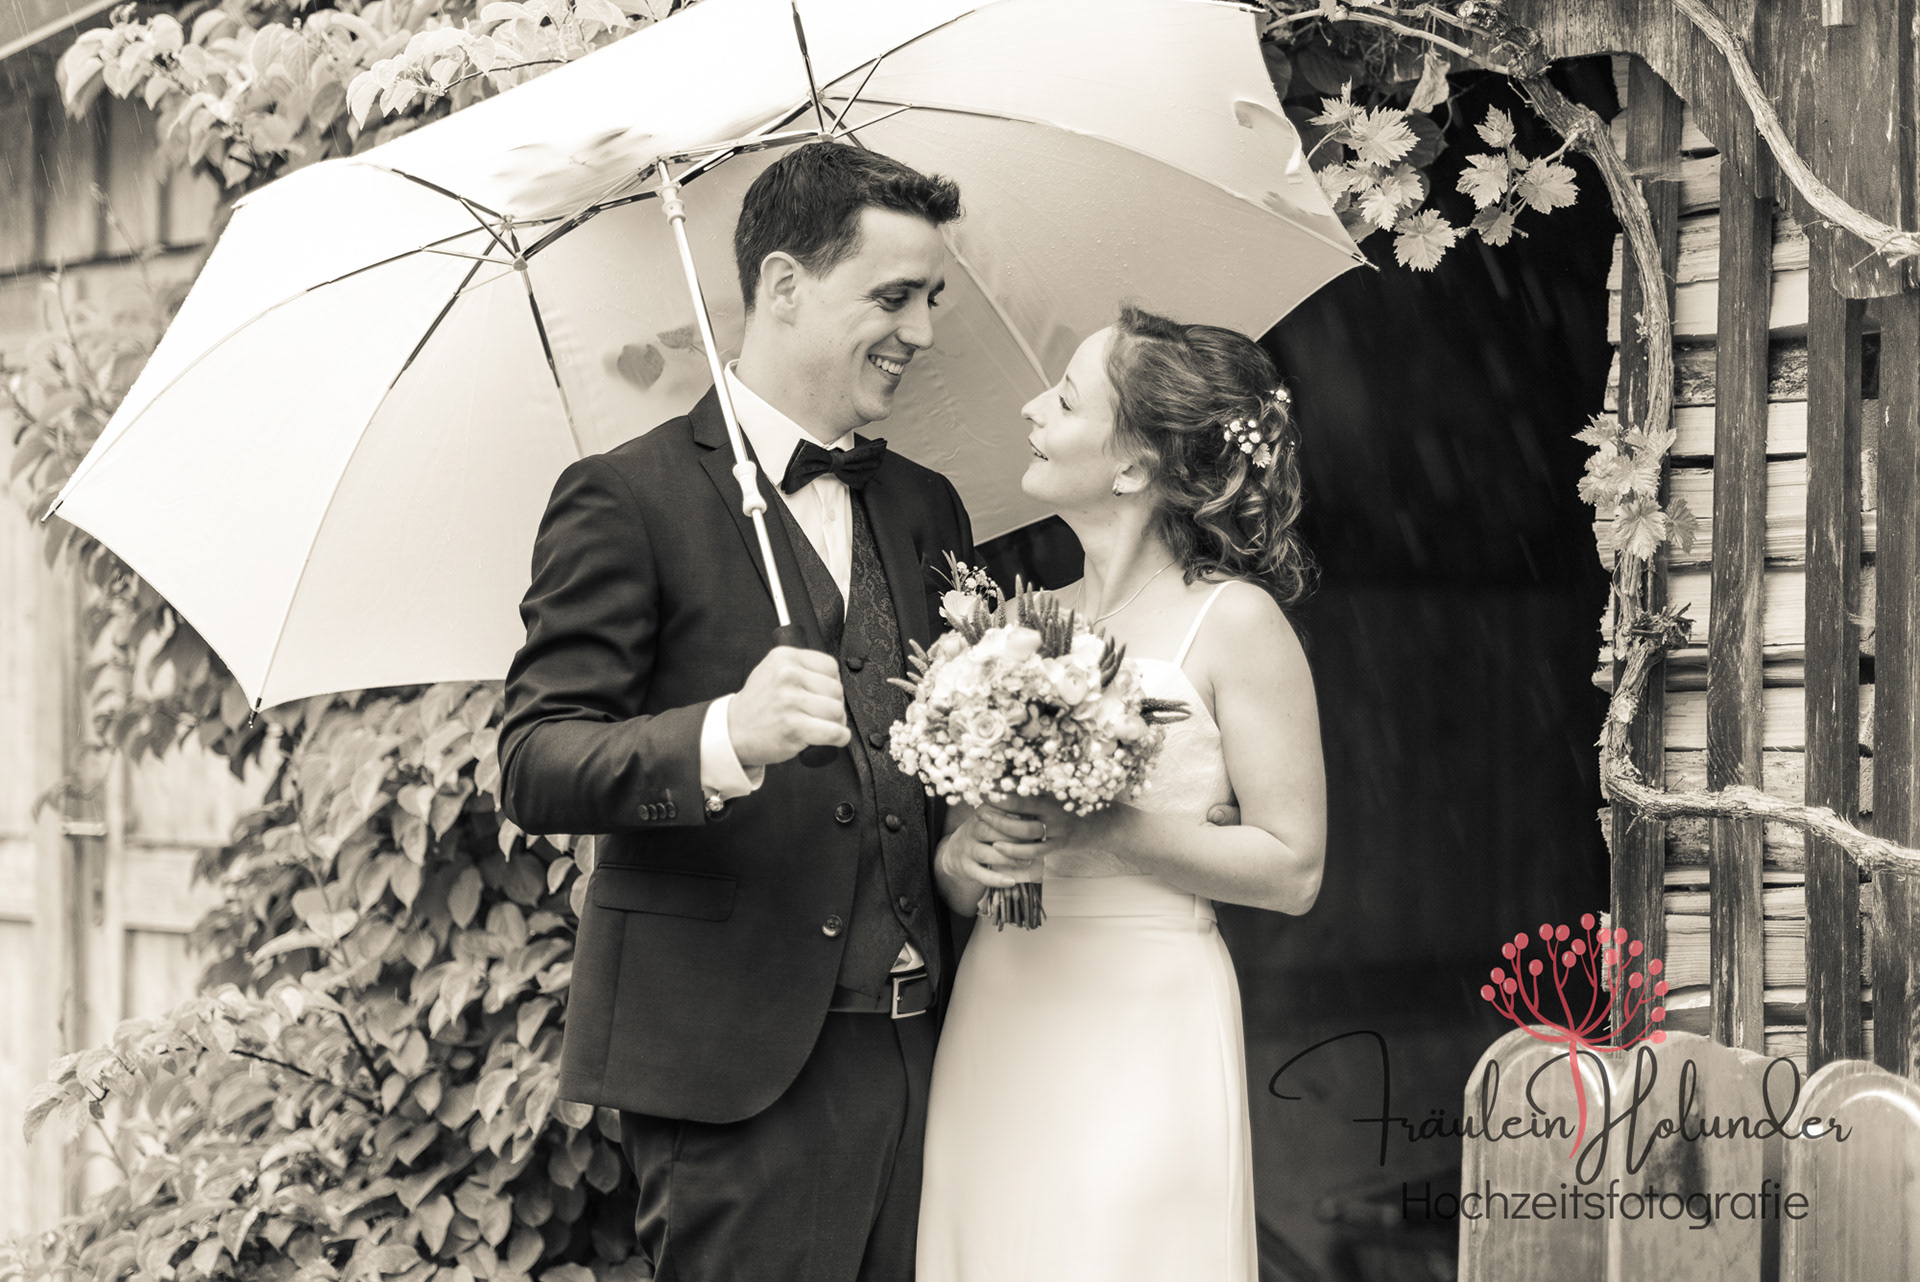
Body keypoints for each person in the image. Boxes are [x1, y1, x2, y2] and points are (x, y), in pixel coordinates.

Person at [497, 141, 974, 1282]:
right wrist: (723, 736)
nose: (921, 330)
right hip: (738, 1068)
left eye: (932, 300)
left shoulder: (928, 507)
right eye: (893, 298)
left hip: (937, 1046)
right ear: (784, 284)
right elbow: (535, 759)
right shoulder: (626, 497)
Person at [914, 304, 1329, 1281]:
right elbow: (961, 867)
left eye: (1063, 400)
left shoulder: (1235, 624)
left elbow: (1293, 868)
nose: (1031, 409)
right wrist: (962, 859)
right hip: (1002, 1000)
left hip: (1148, 1012)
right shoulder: (1011, 627)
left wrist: (1111, 832)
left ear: (1135, 467)